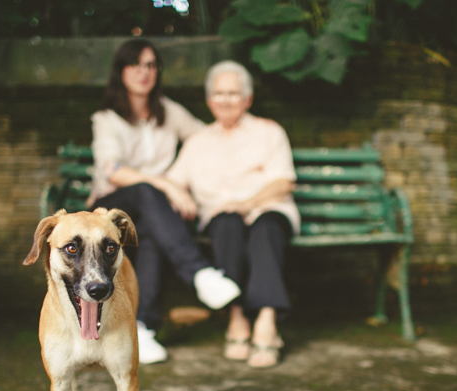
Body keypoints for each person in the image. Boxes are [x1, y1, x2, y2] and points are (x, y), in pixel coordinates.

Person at [86, 40, 240, 365]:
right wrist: (167, 184)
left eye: (151, 65)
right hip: (112, 210)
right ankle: (199, 273)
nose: (145, 72)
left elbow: (207, 138)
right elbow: (112, 171)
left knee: (153, 231)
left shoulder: (169, 112)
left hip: (156, 215)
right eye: (136, 65)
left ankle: (144, 328)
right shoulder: (107, 118)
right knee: (146, 191)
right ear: (122, 71)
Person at [166, 60, 299, 368]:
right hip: (222, 218)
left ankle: (266, 321)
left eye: (234, 93)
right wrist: (177, 192)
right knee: (227, 224)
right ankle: (237, 317)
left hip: (268, 209)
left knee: (264, 228)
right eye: (219, 93)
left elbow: (283, 182)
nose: (226, 100)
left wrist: (248, 203)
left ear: (248, 99)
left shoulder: (269, 132)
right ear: (210, 100)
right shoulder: (197, 142)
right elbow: (173, 181)